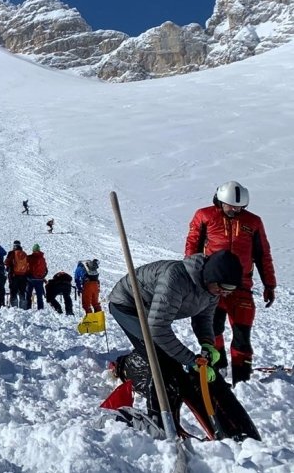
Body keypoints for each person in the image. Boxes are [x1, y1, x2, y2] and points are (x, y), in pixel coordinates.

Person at [108, 250, 243, 426]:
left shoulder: (212, 292)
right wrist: (190, 359)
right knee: (160, 359)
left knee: (167, 357)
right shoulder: (175, 278)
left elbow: (203, 319)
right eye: (222, 288)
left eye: (229, 290)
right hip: (127, 306)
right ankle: (158, 418)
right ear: (211, 277)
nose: (224, 293)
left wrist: (208, 345)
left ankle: (130, 363)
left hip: (151, 310)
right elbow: (157, 328)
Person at [185, 181, 276, 384]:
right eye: (230, 206)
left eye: (239, 207)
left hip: (241, 288)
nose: (234, 210)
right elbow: (192, 247)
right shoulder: (204, 216)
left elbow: (263, 255)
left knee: (242, 335)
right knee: (213, 330)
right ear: (220, 201)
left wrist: (269, 284)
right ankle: (218, 370)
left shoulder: (253, 222)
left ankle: (243, 381)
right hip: (212, 287)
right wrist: (192, 279)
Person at [6, 240, 30, 308]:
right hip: (23, 276)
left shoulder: (12, 253)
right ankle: (23, 307)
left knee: (13, 292)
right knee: (22, 292)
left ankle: (14, 308)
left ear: (14, 246)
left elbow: (6, 262)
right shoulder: (24, 253)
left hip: (14, 276)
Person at [26, 243, 48, 310]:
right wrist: (42, 277)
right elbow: (46, 270)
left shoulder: (29, 257)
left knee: (28, 295)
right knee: (39, 296)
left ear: (33, 250)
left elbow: (26, 268)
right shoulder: (42, 259)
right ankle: (40, 309)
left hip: (30, 279)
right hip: (39, 280)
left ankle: (27, 308)